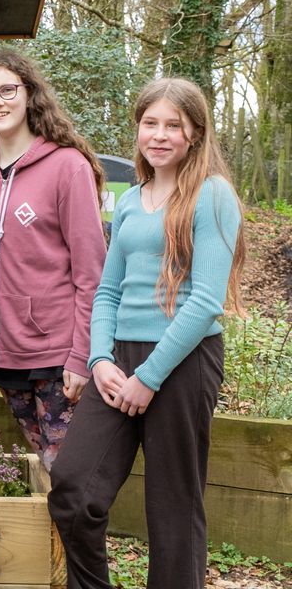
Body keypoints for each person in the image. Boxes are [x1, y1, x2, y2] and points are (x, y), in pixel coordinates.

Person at [48, 77, 246, 588]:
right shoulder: (133, 200)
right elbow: (107, 291)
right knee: (73, 489)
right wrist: (100, 360)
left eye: (172, 126)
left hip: (183, 359)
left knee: (173, 507)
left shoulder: (212, 194)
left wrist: (150, 377)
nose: (158, 135)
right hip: (119, 363)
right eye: (149, 123)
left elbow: (205, 300)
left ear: (195, 133)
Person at [0, 49, 107, 471]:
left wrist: (82, 355)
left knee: (67, 473)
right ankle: (61, 539)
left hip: (56, 354)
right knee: (48, 467)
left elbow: (93, 273)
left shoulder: (68, 167)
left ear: (29, 94)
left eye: (7, 90)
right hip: (2, 350)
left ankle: (78, 540)